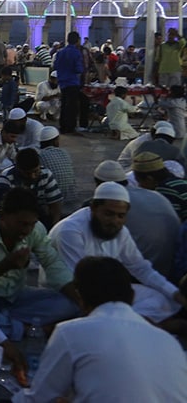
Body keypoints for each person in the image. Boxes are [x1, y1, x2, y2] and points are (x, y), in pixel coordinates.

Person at [13, 256, 187, 403]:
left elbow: (39, 397)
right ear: (132, 296)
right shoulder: (168, 340)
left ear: (79, 298)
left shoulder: (71, 333)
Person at [48, 182, 186, 328]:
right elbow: (81, 281)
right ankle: (144, 324)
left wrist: (175, 294)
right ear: (94, 208)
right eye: (109, 214)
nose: (114, 221)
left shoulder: (120, 232)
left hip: (106, 291)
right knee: (67, 308)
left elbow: (141, 268)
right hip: (73, 293)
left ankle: (128, 322)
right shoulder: (70, 230)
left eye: (121, 216)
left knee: (162, 298)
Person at [0, 187, 80, 341]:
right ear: (2, 216)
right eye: (21, 224)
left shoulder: (35, 230)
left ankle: (5, 324)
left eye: (31, 224)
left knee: (69, 304)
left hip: (17, 298)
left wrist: (81, 302)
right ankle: (22, 328)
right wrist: (5, 265)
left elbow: (52, 263)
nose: (27, 230)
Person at [0, 148, 63, 228]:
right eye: (27, 173)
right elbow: (2, 210)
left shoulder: (46, 174)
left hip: (39, 217)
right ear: (18, 169)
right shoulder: (6, 178)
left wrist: (54, 227)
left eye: (36, 171)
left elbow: (55, 206)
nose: (32, 176)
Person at [132, 150, 187, 221]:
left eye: (139, 181)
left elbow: (173, 221)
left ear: (149, 179)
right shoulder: (180, 182)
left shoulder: (165, 189)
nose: (139, 186)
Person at [55, 31, 87, 134]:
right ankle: (71, 127)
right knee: (72, 106)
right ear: (77, 40)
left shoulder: (60, 52)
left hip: (62, 82)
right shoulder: (76, 53)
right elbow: (78, 69)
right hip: (73, 82)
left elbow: (55, 66)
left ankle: (63, 126)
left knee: (64, 105)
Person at [37, 126, 75, 203]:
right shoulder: (64, 153)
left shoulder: (40, 155)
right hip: (71, 197)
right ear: (55, 141)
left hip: (52, 199)